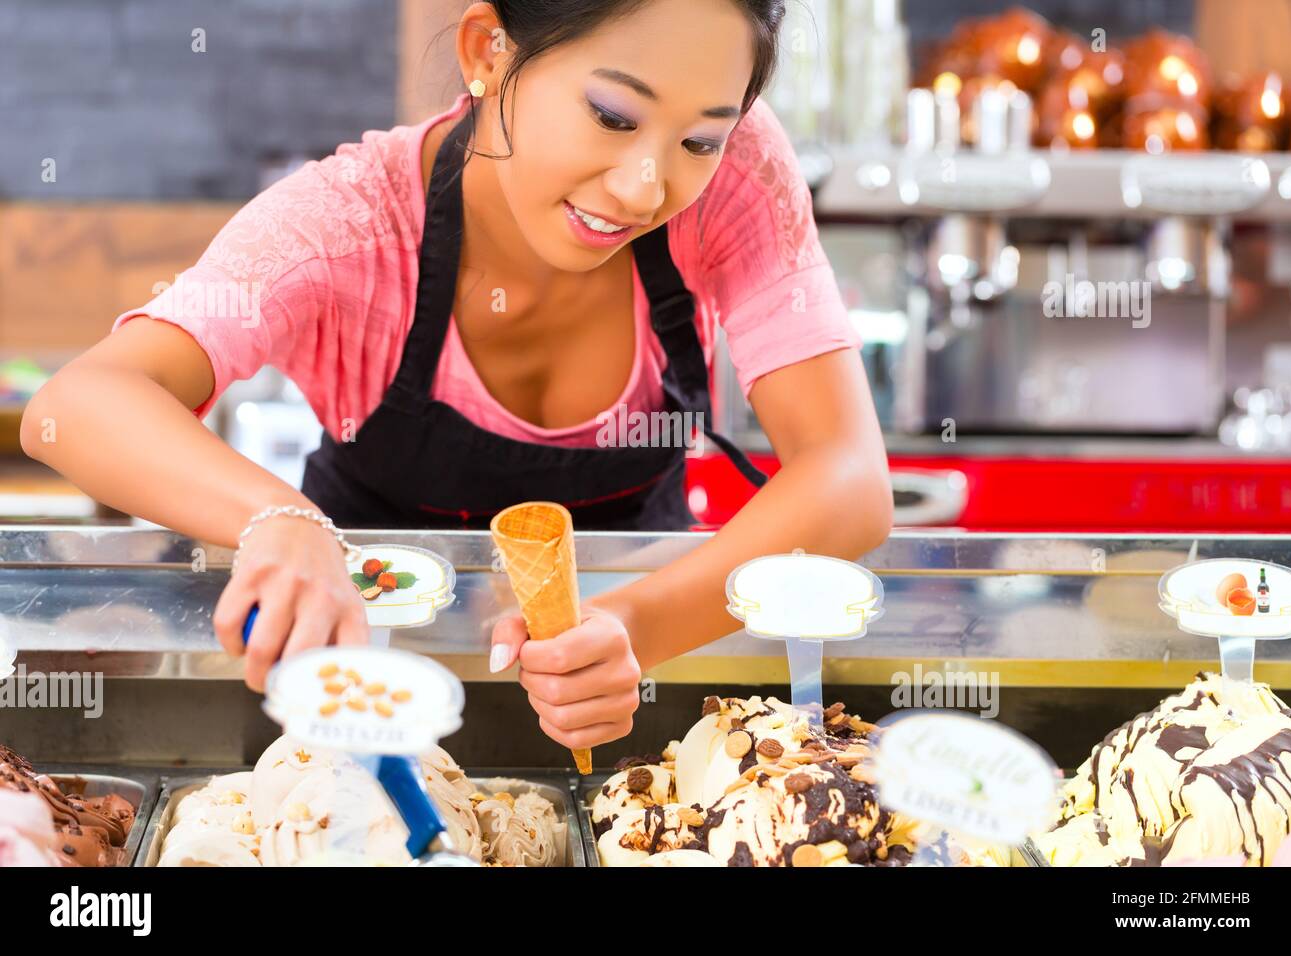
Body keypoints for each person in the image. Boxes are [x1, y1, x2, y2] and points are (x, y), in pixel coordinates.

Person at [21, 0, 892, 752]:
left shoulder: (737, 175)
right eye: (613, 117)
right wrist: (278, 521)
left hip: (642, 683)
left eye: (700, 138)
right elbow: (79, 404)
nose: (642, 186)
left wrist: (636, 623)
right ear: (489, 51)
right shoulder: (349, 222)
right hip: (370, 690)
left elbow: (848, 480)